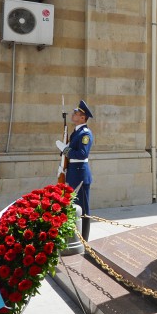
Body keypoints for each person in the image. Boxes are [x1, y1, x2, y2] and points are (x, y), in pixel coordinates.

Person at [63, 100, 94, 241]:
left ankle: (84, 238)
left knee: (83, 208)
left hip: (80, 173)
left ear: (83, 117)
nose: (73, 114)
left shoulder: (85, 134)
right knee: (73, 206)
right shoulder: (76, 132)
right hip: (73, 172)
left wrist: (67, 151)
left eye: (76, 113)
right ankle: (75, 235)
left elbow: (82, 154)